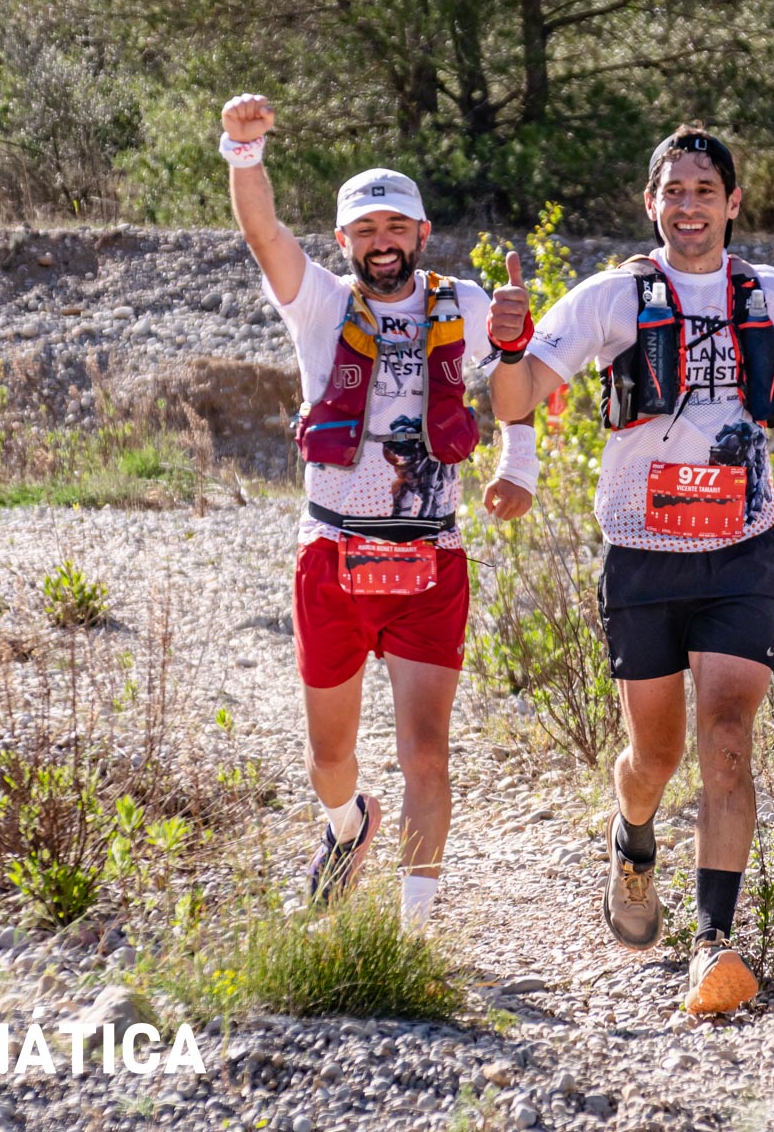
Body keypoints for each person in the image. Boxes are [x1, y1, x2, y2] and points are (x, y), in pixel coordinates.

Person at [486, 126, 774, 1012]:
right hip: (642, 558)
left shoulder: (773, 294)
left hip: (741, 552)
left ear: (733, 203)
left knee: (728, 739)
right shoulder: (612, 297)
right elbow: (517, 397)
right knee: (654, 756)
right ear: (650, 204)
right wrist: (507, 346)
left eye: (705, 190)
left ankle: (713, 943)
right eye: (674, 191)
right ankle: (633, 834)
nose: (688, 205)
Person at [220, 92, 540, 929]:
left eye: (396, 226)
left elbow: (519, 394)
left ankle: (414, 932)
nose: (382, 241)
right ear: (344, 242)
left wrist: (512, 363)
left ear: (422, 233)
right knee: (330, 758)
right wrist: (243, 152)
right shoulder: (320, 303)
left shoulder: (467, 303)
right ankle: (346, 825)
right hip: (333, 552)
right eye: (365, 230)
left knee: (426, 753)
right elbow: (263, 234)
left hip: (431, 559)